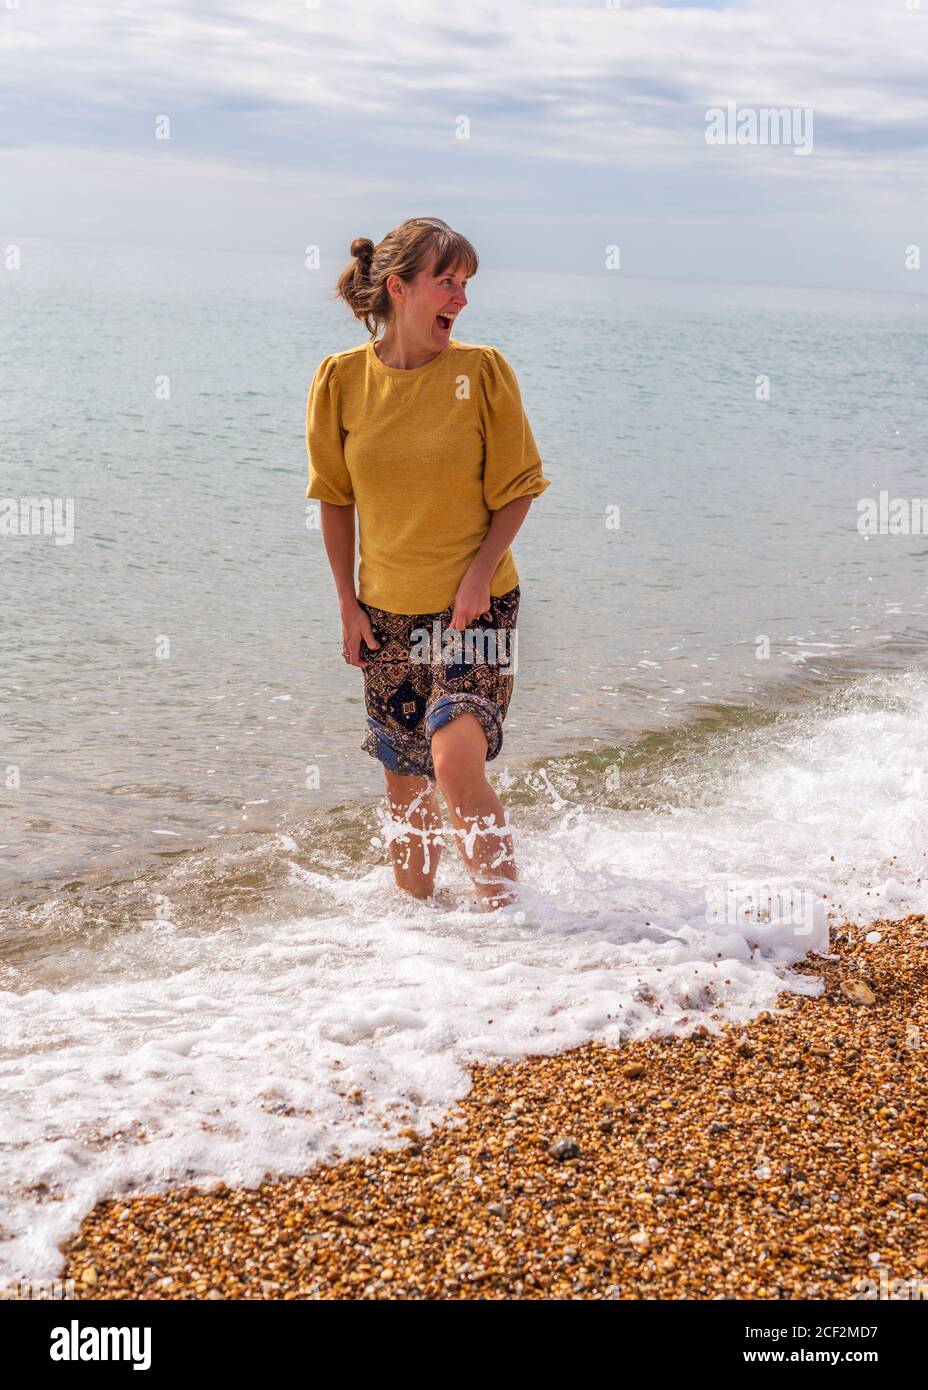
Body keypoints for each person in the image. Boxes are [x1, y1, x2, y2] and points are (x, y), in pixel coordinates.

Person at [305, 216, 551, 912]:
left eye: (466, 284)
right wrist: (347, 605)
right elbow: (333, 498)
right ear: (398, 288)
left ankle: (511, 926)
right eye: (448, 283)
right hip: (384, 610)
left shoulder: (483, 372)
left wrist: (478, 576)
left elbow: (519, 488)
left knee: (451, 763)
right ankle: (416, 945)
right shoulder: (340, 381)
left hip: (477, 603)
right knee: (404, 780)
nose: (462, 299)